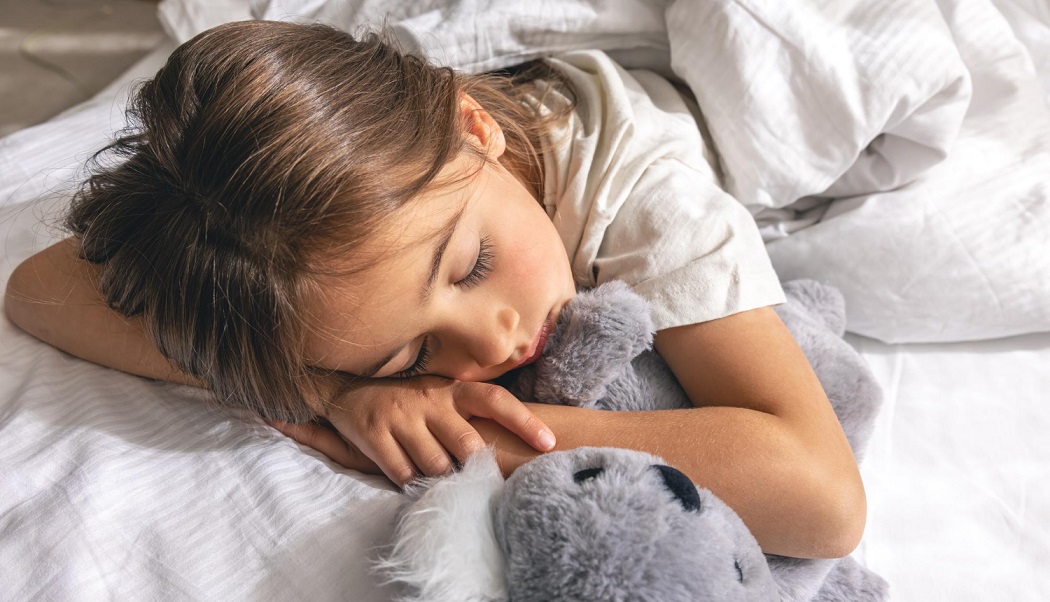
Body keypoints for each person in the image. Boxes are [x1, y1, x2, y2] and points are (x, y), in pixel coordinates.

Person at [4, 20, 863, 559]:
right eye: (414, 354)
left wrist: (487, 443)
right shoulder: (324, 213)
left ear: (474, 128)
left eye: (471, 266)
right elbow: (35, 289)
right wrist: (326, 388)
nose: (488, 345)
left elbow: (822, 500)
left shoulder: (646, 200)